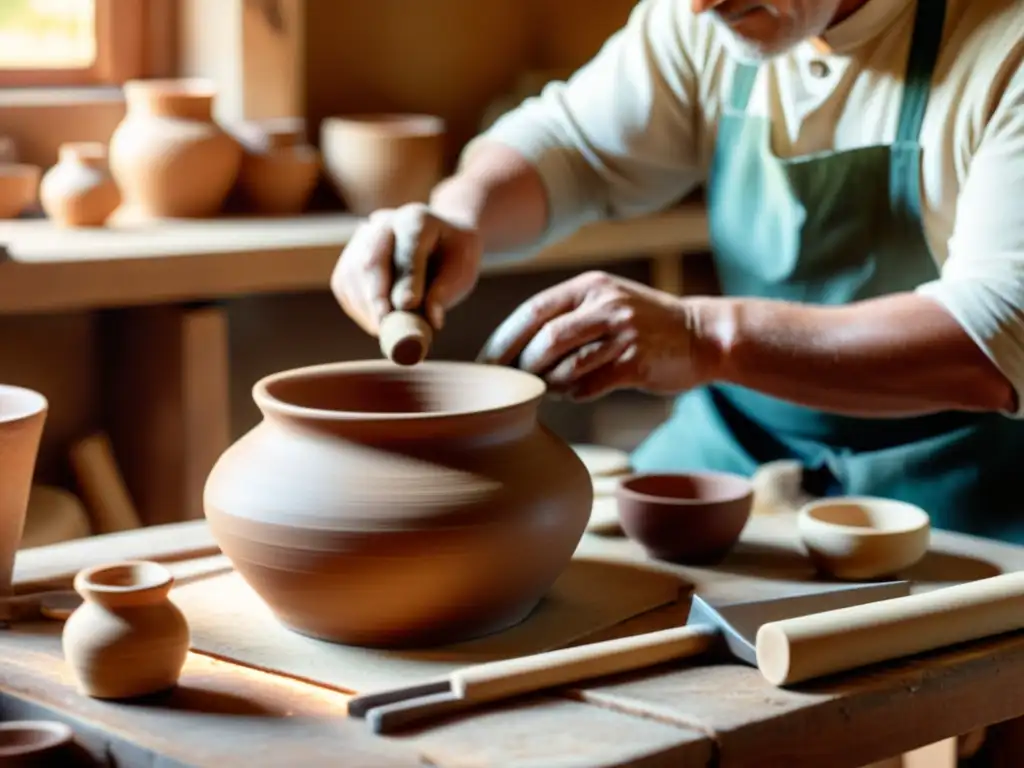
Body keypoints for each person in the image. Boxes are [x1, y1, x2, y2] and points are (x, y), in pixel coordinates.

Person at [332, 0, 1024, 543]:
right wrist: (457, 216)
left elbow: (994, 337)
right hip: (741, 443)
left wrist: (701, 336)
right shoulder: (718, 18)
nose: (698, 5)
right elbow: (570, 146)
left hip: (957, 474)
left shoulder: (1004, 44)